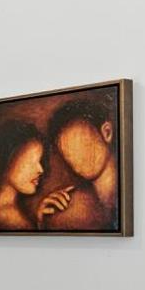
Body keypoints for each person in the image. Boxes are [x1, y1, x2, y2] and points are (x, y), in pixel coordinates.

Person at [37, 94, 119, 231]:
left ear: (107, 132)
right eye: (68, 152)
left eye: (82, 144)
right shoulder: (70, 205)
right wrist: (41, 223)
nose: (77, 157)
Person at [0, 120, 72, 231]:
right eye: (30, 162)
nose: (41, 170)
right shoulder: (8, 216)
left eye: (40, 161)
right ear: (7, 160)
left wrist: (39, 222)